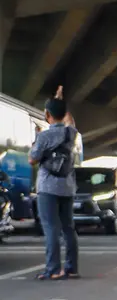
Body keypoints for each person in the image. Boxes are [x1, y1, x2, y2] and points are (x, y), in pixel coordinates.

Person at [28, 97, 79, 280]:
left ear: (47, 114)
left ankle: (54, 269)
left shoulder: (44, 136)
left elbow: (32, 159)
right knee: (68, 228)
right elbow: (70, 122)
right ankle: (71, 268)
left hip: (48, 187)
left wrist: (35, 145)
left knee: (51, 228)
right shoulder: (70, 134)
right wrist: (61, 101)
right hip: (67, 187)